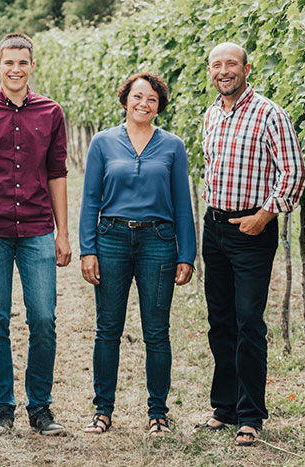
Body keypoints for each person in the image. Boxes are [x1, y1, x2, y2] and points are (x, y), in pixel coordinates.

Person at [0, 33, 71, 436]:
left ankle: (40, 408)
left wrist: (63, 232)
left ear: (32, 66)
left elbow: (57, 173)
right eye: (9, 62)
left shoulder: (51, 112)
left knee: (43, 319)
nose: (16, 69)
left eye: (23, 62)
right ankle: (2, 410)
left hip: (38, 228)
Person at [196, 42, 305, 446]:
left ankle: (250, 415)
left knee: (248, 322)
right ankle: (224, 407)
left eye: (230, 64)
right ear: (210, 72)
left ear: (245, 68)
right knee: (220, 320)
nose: (223, 71)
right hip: (215, 227)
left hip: (251, 232)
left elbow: (293, 172)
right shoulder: (211, 115)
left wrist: (265, 214)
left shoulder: (268, 113)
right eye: (216, 65)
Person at [79, 72, 196, 436]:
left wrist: (186, 254)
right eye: (138, 96)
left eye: (152, 100)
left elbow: (182, 203)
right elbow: (90, 200)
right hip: (111, 238)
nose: (143, 104)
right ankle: (103, 411)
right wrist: (88, 249)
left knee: (157, 332)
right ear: (125, 99)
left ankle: (158, 413)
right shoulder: (102, 143)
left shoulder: (173, 145)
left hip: (158, 242)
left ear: (159, 106)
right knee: (108, 329)